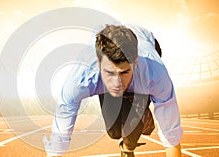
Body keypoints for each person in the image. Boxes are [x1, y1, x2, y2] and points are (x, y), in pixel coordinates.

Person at [43, 24, 183, 157]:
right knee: (114, 132)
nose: (117, 84)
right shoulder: (80, 80)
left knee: (133, 125)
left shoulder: (155, 73)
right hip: (110, 73)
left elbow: (170, 131)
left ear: (135, 62)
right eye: (110, 73)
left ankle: (131, 138)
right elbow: (60, 135)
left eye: (124, 72)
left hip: (145, 48)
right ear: (99, 63)